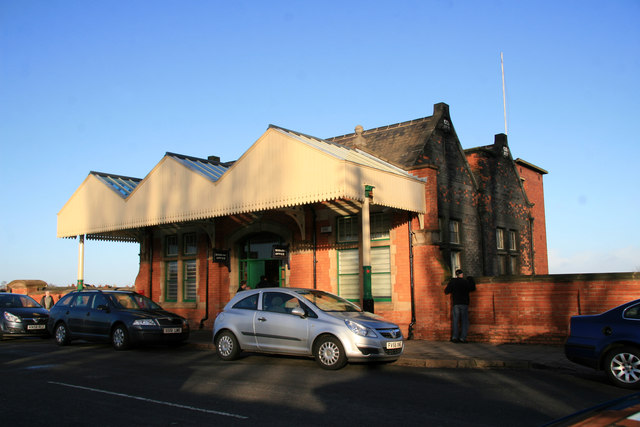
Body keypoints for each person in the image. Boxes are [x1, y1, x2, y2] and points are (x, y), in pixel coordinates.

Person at [444, 269, 476, 343]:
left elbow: (446, 291)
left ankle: (455, 337)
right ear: (462, 274)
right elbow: (472, 288)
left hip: (456, 303)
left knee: (455, 320)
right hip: (464, 303)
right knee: (464, 321)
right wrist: (471, 279)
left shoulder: (453, 282)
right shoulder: (465, 282)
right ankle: (463, 338)